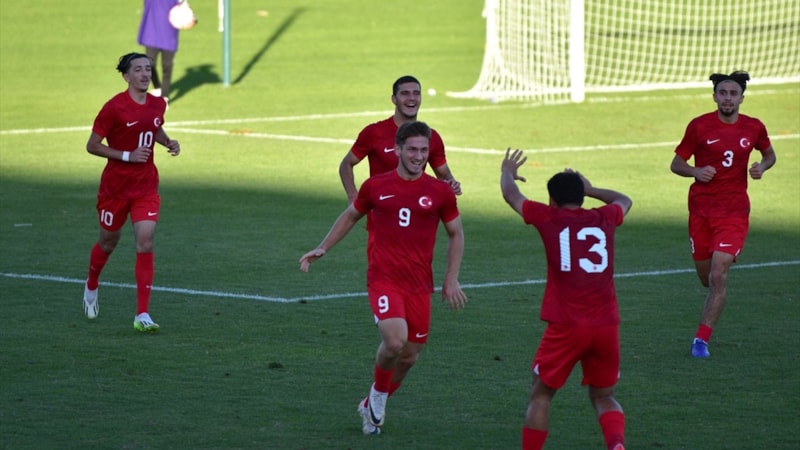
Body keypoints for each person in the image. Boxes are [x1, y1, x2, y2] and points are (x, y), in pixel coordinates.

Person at [301, 121, 467, 435]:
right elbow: (351, 215)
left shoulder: (440, 192)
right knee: (394, 341)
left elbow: (456, 234)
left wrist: (451, 278)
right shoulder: (377, 186)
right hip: (384, 278)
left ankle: (371, 402)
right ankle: (378, 394)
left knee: (409, 357)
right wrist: (323, 247)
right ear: (399, 150)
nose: (419, 156)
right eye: (413, 149)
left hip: (419, 284)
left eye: (423, 150)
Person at [501, 149, 632, 450]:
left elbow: (512, 196)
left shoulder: (549, 217)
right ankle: (616, 445)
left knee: (541, 395)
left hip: (567, 326)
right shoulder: (605, 217)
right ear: (583, 197)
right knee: (604, 395)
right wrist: (592, 188)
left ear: (552, 199)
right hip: (606, 325)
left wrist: (507, 170)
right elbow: (624, 200)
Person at [670, 71, 777, 359]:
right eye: (723, 93)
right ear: (715, 96)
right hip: (701, 212)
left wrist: (761, 167)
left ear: (742, 97)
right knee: (707, 279)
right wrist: (695, 171)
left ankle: (701, 341)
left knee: (719, 274)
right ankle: (718, 270)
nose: (727, 98)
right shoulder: (699, 127)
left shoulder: (754, 127)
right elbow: (676, 163)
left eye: (733, 94)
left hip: (734, 212)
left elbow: (770, 155)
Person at [82, 52, 181, 332]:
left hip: (146, 186)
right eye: (138, 70)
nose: (145, 74)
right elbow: (92, 145)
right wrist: (127, 155)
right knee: (108, 242)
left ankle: (142, 314)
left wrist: (168, 142)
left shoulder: (158, 104)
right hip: (115, 189)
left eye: (148, 69)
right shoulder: (113, 108)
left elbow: (154, 128)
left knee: (145, 241)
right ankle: (91, 284)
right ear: (126, 76)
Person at [339, 75, 461, 202]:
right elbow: (346, 164)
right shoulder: (374, 132)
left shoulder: (431, 137)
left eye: (416, 93)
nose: (412, 98)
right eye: (405, 93)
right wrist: (353, 196)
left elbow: (444, 174)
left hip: (416, 211)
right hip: (381, 215)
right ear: (394, 99)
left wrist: (451, 183)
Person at [137, 0, 188, 101]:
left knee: (167, 66)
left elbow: (184, 9)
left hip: (168, 34)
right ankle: (157, 87)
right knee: (149, 64)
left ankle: (165, 97)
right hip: (151, 32)